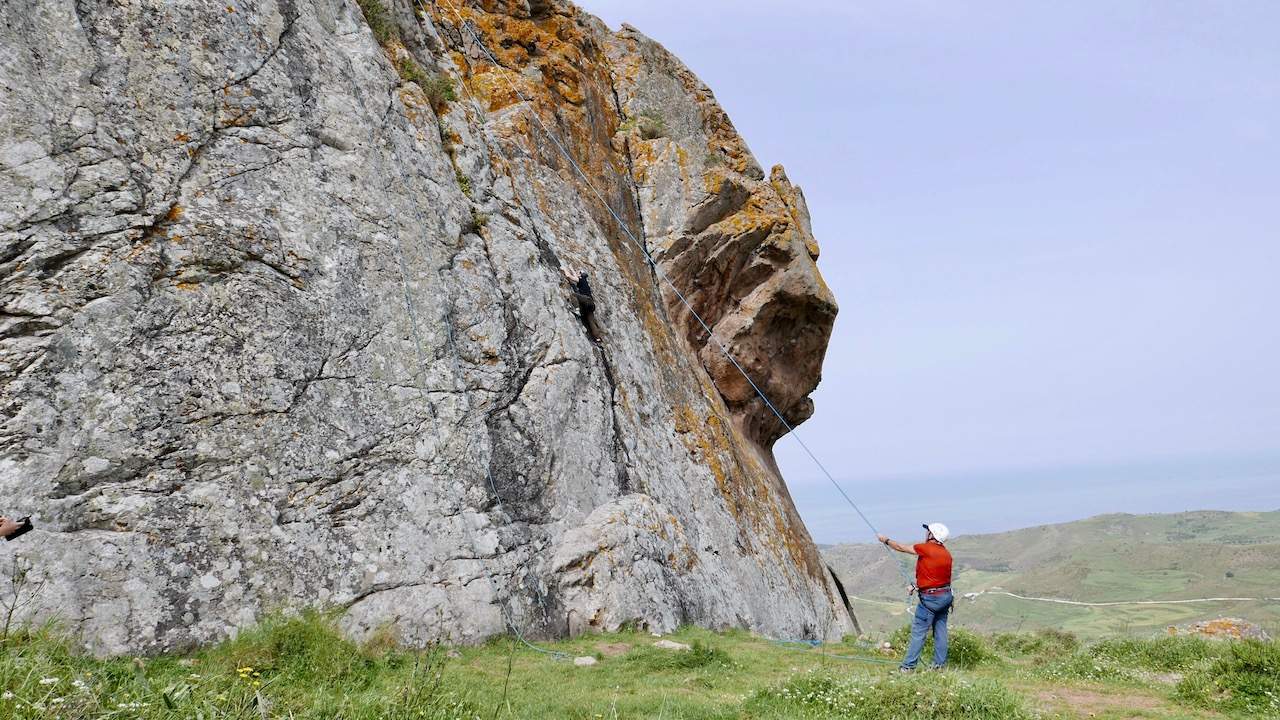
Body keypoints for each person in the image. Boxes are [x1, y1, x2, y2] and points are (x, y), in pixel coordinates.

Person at [878, 522, 952, 671]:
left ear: (932, 535)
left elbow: (901, 548)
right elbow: (937, 577)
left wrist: (885, 540)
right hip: (945, 596)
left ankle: (908, 667)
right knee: (940, 632)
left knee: (919, 633)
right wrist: (917, 586)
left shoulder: (926, 548)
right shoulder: (946, 554)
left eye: (928, 531)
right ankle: (939, 666)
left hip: (930, 600)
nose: (926, 533)